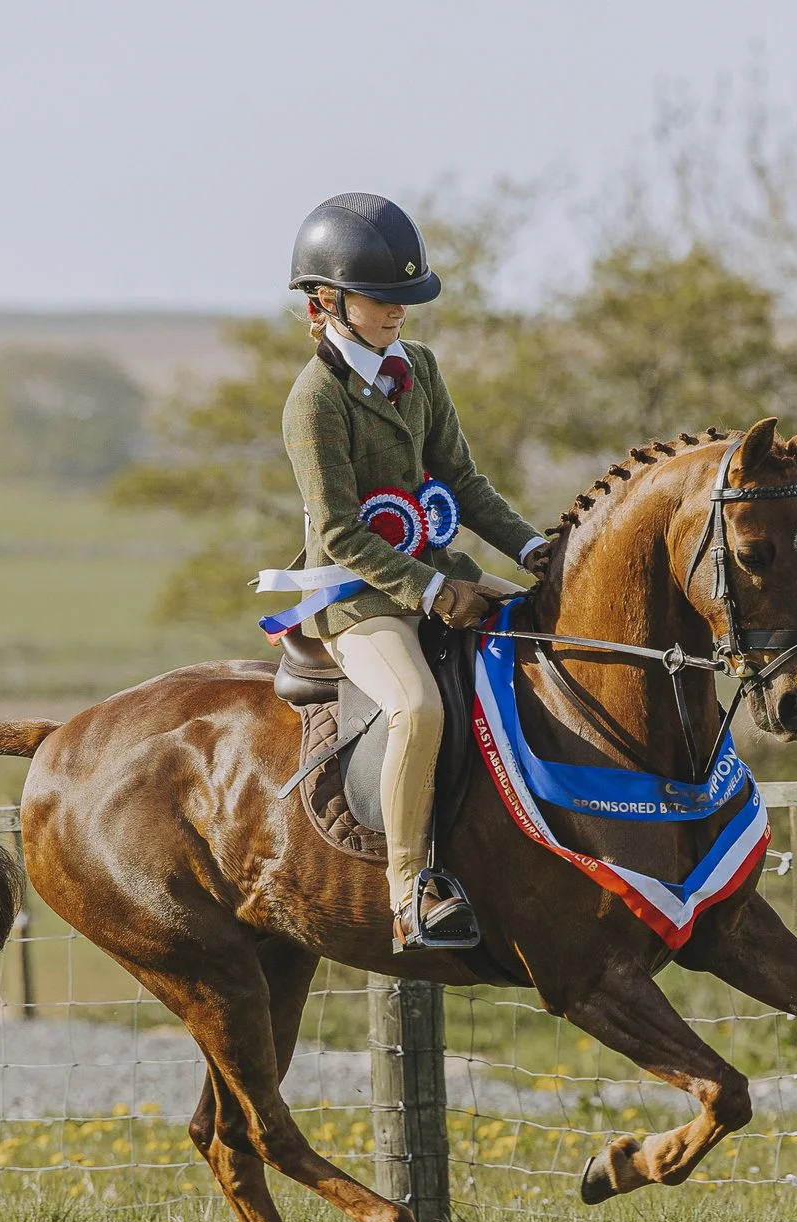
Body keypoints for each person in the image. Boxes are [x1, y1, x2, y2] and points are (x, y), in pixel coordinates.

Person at [277, 192, 540, 952]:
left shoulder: (418, 367)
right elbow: (338, 531)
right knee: (418, 708)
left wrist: (533, 550)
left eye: (405, 297)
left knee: (547, 635)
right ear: (328, 301)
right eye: (379, 297)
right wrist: (429, 590)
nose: (398, 310)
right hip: (358, 599)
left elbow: (464, 482)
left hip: (438, 571)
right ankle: (409, 890)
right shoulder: (314, 401)